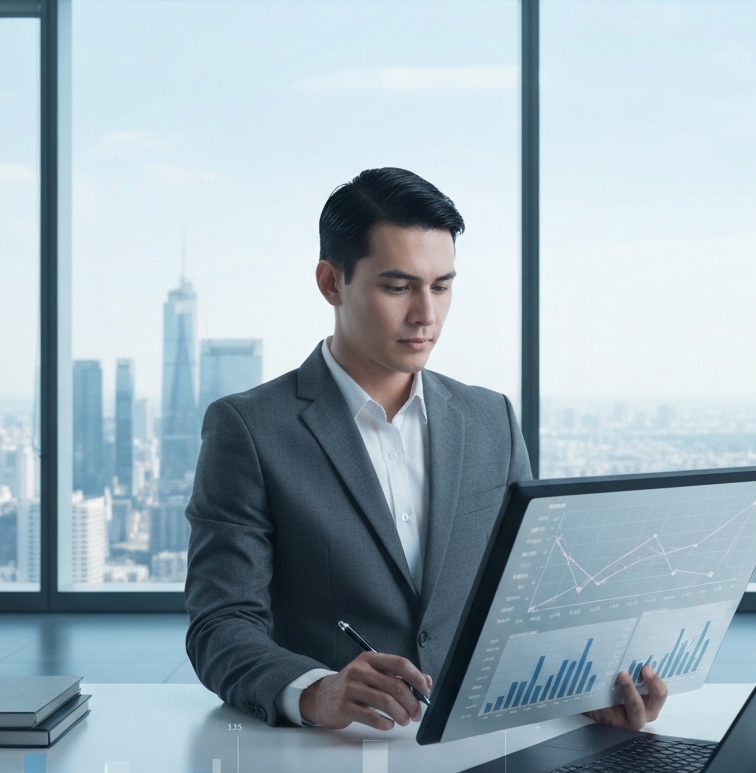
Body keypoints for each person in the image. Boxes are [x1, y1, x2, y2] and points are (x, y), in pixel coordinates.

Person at [185, 167, 667, 732]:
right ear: (331, 283)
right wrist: (317, 691)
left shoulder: (492, 420)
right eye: (398, 287)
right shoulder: (249, 428)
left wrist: (581, 689)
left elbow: (527, 602)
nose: (426, 315)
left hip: (482, 747)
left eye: (442, 286)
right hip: (332, 762)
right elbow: (221, 625)